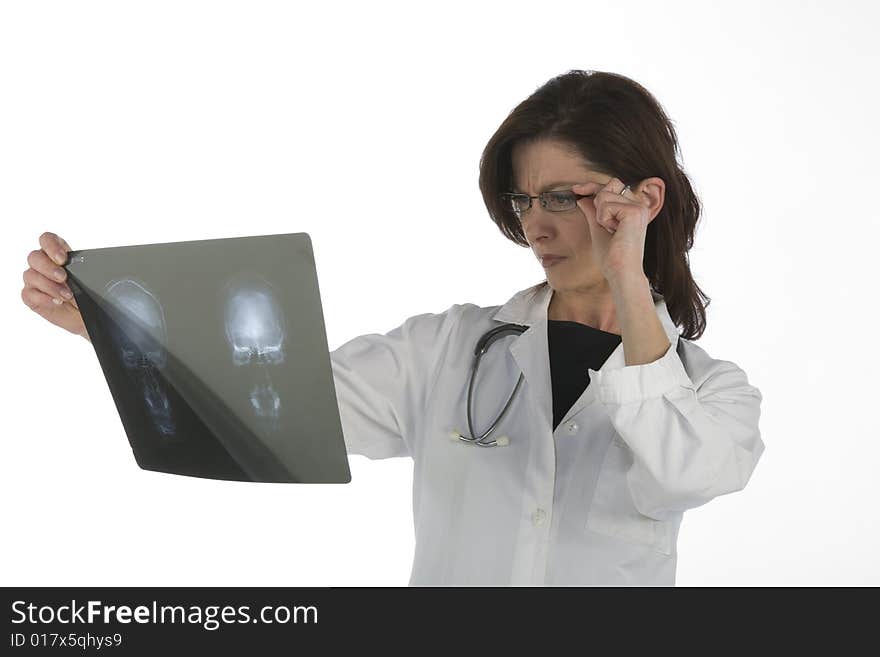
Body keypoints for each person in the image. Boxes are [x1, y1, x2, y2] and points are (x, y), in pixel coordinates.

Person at [20, 69, 764, 586]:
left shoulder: (715, 393)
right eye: (523, 200)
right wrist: (110, 321)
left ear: (643, 200)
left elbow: (683, 472)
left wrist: (629, 279)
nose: (535, 225)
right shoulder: (445, 351)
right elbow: (282, 400)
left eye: (563, 197)